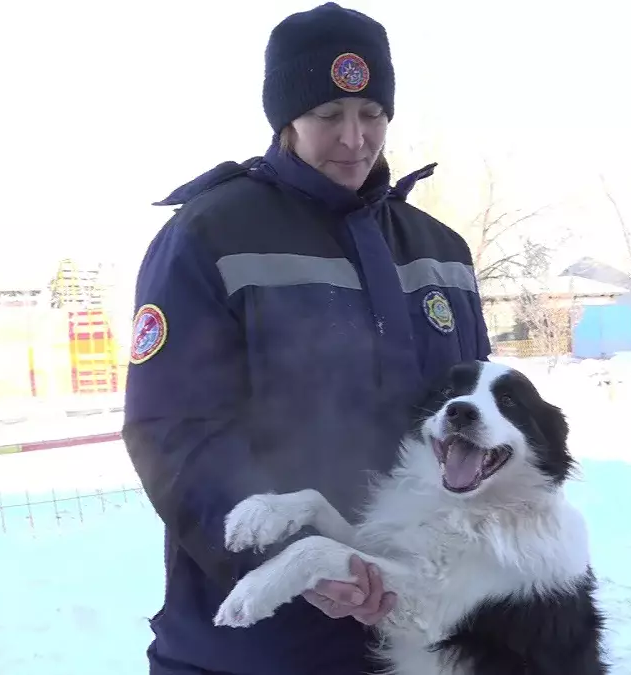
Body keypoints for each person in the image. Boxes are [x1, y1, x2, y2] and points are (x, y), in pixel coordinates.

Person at [121, 3, 492, 675]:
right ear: (285, 118)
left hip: (416, 631)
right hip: (255, 644)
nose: (354, 138)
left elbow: (479, 422)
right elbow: (173, 431)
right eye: (328, 115)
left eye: (372, 113)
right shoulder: (210, 236)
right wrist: (291, 564)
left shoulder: (442, 252)